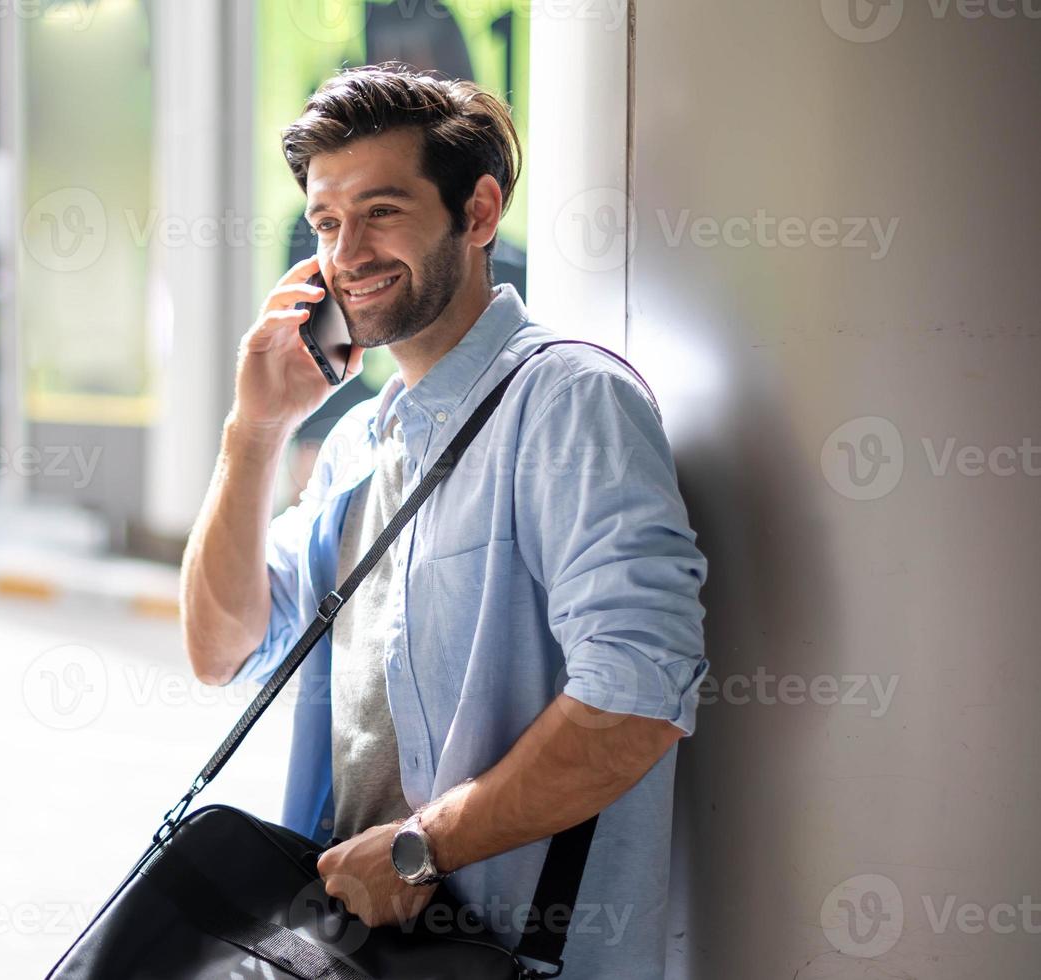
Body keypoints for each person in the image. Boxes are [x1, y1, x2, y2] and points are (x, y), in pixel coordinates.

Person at [178, 63, 709, 978]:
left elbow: (639, 692)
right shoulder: (357, 444)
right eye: (326, 222)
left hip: (505, 961)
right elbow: (222, 647)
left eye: (382, 211)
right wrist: (254, 430)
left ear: (478, 212)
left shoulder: (569, 403)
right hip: (346, 952)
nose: (347, 254)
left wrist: (421, 848)